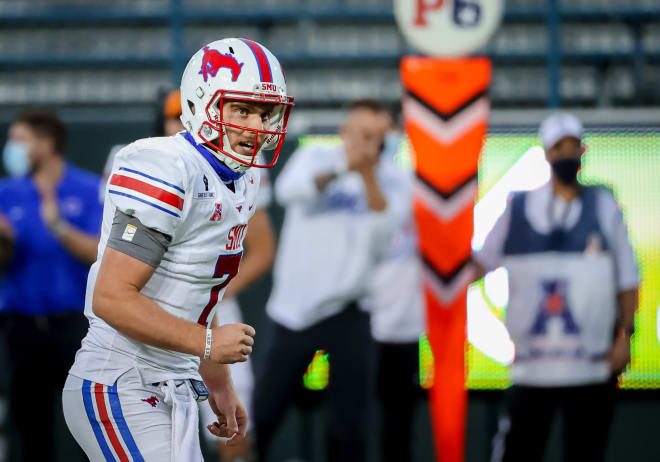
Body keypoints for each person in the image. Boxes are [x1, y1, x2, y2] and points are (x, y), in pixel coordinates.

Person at [62, 38, 294, 461]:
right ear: (203, 104)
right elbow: (112, 297)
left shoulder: (242, 181)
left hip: (176, 381)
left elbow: (199, 294)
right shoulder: (168, 166)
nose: (256, 127)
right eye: (241, 110)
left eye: (265, 113)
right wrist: (208, 344)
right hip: (123, 379)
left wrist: (219, 384)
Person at [473, 113, 639, 462]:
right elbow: (479, 265)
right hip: (534, 367)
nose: (567, 155)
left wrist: (625, 334)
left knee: (585, 450)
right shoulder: (517, 208)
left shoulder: (604, 204)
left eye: (573, 147)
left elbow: (627, 277)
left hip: (591, 364)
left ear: (583, 150)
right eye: (558, 147)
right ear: (546, 154)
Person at [254, 99, 404, 462]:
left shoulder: (395, 179)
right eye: (363, 135)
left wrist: (367, 175)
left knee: (349, 430)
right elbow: (291, 191)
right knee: (260, 416)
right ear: (345, 132)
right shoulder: (315, 157)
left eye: (377, 137)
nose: (370, 145)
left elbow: (385, 235)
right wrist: (342, 169)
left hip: (349, 312)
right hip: (294, 308)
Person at [155, 88, 277, 462]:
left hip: (211, 315)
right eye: (173, 116)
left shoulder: (239, 170)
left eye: (185, 114)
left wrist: (217, 290)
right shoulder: (150, 166)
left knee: (232, 429)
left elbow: (263, 247)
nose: (178, 123)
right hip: (153, 318)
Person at [0, 111, 102, 461]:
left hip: (76, 328)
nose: (11, 148)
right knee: (29, 433)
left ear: (46, 143)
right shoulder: (6, 193)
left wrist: (58, 226)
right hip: (21, 326)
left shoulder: (88, 189)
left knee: (89, 430)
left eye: (20, 139)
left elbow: (101, 256)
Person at [358, 116, 428, 462]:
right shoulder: (350, 182)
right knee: (353, 421)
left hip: (402, 326)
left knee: (398, 426)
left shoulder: (416, 186)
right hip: (358, 321)